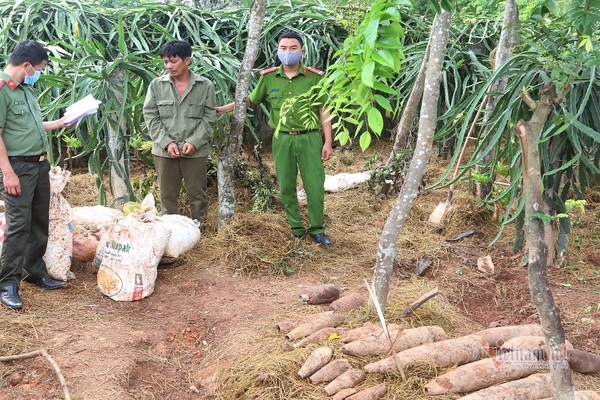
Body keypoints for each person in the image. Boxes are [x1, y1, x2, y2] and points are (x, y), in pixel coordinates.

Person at [216, 31, 333, 246]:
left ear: (302, 51)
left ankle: (317, 229)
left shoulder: (315, 78)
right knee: (286, 186)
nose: (288, 53)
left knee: (314, 185)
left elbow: (324, 109)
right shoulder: (269, 78)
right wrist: (224, 109)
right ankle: (296, 228)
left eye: (293, 48)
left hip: (309, 139)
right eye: (283, 48)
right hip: (282, 140)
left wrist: (328, 141)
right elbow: (251, 101)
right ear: (278, 51)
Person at [0, 40, 72, 310]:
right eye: (39, 68)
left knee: (40, 222)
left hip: (39, 165)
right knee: (19, 226)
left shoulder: (26, 89)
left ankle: (34, 271)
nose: (38, 73)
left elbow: (29, 124)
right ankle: (8, 282)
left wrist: (60, 123)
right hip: (17, 167)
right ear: (27, 65)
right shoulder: (2, 90)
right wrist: (8, 173)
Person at [143, 40, 216, 225]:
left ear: (187, 60)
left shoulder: (205, 85)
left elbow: (209, 117)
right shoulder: (156, 86)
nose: (169, 66)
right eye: (166, 61)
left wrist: (195, 141)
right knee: (167, 195)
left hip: (195, 151)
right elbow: (151, 116)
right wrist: (167, 142)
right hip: (164, 151)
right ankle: (170, 229)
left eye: (174, 61)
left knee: (197, 193)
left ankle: (199, 228)